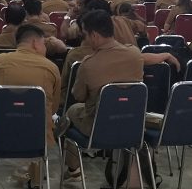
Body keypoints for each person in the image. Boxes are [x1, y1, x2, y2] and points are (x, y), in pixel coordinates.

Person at [57, 10, 180, 180]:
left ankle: (73, 169)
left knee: (69, 113)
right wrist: (165, 55)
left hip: (98, 127)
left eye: (84, 34)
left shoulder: (87, 64)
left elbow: (79, 96)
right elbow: (145, 57)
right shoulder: (134, 54)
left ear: (94, 35)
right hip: (132, 124)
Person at [0, 24, 61, 189]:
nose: (45, 49)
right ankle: (36, 187)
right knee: (42, 117)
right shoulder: (51, 68)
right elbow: (53, 108)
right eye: (44, 44)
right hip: (37, 141)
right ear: (35, 43)